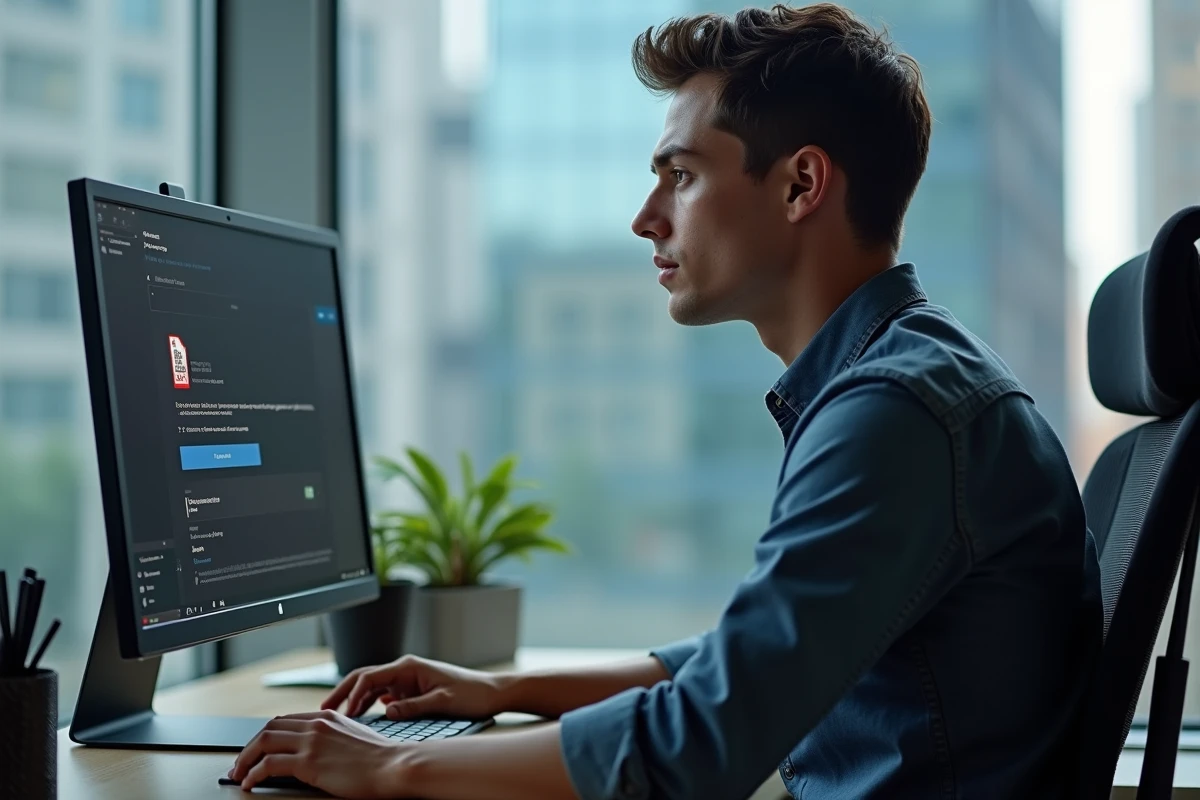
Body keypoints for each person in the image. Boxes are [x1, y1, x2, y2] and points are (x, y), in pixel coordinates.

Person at [228, 4, 1101, 797]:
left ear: (801, 186)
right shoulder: (897, 380)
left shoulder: (896, 413)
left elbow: (702, 742)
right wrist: (502, 690)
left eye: (680, 175)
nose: (646, 216)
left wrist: (392, 764)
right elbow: (741, 667)